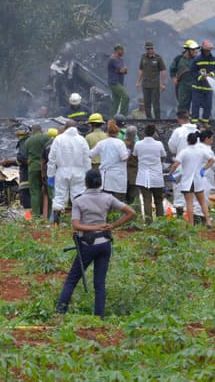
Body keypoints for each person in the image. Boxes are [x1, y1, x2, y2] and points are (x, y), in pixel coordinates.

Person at [55, 169, 136, 319]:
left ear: (85, 183)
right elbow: (131, 212)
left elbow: (76, 225)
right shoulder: (108, 198)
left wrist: (94, 227)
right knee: (100, 283)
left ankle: (59, 314)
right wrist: (112, 225)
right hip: (105, 244)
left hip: (87, 245)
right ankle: (99, 318)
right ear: (100, 182)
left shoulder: (79, 201)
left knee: (72, 280)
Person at [47, 120, 91, 225]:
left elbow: (52, 158)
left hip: (62, 171)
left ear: (65, 127)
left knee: (59, 196)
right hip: (79, 172)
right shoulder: (82, 140)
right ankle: (79, 221)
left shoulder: (58, 139)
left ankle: (56, 222)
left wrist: (50, 175)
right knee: (78, 196)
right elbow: (87, 158)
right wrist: (87, 173)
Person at [168, 132, 215, 227]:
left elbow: (176, 164)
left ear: (187, 141)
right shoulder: (201, 151)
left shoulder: (184, 151)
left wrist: (171, 173)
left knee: (189, 203)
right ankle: (208, 221)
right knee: (202, 202)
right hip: (198, 179)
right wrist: (204, 168)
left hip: (187, 180)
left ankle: (191, 224)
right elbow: (212, 160)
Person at [89, 120, 129, 201]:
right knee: (117, 202)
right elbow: (124, 158)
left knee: (105, 201)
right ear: (117, 133)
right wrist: (129, 152)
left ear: (107, 132)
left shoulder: (102, 143)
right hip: (118, 176)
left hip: (105, 176)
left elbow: (90, 154)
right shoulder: (120, 143)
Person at [167, 110, 198, 215]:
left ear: (179, 119)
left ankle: (180, 216)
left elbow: (171, 146)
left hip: (181, 164)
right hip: (196, 164)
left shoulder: (178, 131)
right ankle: (193, 216)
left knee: (179, 189)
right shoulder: (197, 131)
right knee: (194, 190)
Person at [134, 124, 167, 222]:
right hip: (156, 176)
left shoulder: (138, 144)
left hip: (143, 176)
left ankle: (148, 223)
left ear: (144, 132)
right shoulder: (159, 144)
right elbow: (163, 156)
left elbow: (135, 155)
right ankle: (161, 222)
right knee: (158, 200)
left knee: (146, 200)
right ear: (154, 133)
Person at [0, 125, 32, 210]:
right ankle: (37, 218)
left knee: (25, 199)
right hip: (35, 176)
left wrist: (9, 162)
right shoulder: (32, 142)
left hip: (27, 176)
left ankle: (28, 219)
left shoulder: (24, 142)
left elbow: (22, 158)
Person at [190, 40, 215, 124]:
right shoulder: (197, 59)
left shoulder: (214, 60)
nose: (208, 52)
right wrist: (200, 77)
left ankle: (205, 123)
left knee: (208, 106)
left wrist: (211, 74)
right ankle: (194, 123)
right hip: (197, 88)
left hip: (208, 88)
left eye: (209, 50)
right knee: (195, 106)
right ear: (203, 50)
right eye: (207, 50)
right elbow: (192, 71)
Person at [24, 125, 50, 217]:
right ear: (41, 130)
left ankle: (36, 215)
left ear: (33, 131)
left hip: (33, 168)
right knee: (48, 191)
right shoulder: (47, 137)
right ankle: (49, 214)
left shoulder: (28, 141)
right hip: (46, 168)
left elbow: (26, 156)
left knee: (35, 191)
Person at [136, 41, 167, 119]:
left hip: (154, 84)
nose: (150, 50)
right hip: (145, 84)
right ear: (146, 49)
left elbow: (163, 70)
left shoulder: (158, 58)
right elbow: (141, 69)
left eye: (151, 48)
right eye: (148, 49)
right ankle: (148, 119)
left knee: (155, 103)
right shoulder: (143, 57)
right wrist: (138, 82)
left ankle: (157, 119)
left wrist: (163, 84)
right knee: (146, 103)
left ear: (153, 48)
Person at [171, 40, 200, 112]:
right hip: (183, 85)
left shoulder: (198, 59)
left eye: (196, 49)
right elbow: (172, 69)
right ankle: (183, 120)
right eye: (193, 49)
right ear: (187, 50)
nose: (195, 51)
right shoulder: (178, 59)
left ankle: (194, 121)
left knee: (196, 104)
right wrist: (174, 77)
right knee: (183, 104)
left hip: (195, 85)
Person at [40, 128, 59, 220]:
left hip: (49, 173)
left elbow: (43, 161)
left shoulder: (46, 145)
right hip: (60, 172)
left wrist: (43, 174)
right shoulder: (60, 143)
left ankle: (51, 218)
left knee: (52, 195)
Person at [107, 45, 129, 116]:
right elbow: (122, 70)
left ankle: (111, 118)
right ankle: (123, 115)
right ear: (118, 50)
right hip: (114, 83)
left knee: (116, 102)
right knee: (126, 97)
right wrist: (122, 70)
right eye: (122, 50)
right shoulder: (113, 59)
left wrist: (123, 70)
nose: (123, 52)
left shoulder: (120, 60)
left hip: (119, 83)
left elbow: (125, 71)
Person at [123, 125, 140, 208]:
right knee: (132, 199)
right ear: (135, 135)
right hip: (134, 174)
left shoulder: (121, 144)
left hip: (122, 173)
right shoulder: (137, 145)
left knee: (122, 198)